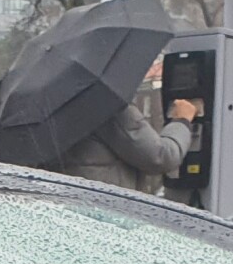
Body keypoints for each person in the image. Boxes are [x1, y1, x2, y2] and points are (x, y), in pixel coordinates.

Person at [61, 72, 200, 192]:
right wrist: (182, 121)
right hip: (109, 211)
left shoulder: (52, 106)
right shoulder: (105, 103)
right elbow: (161, 157)